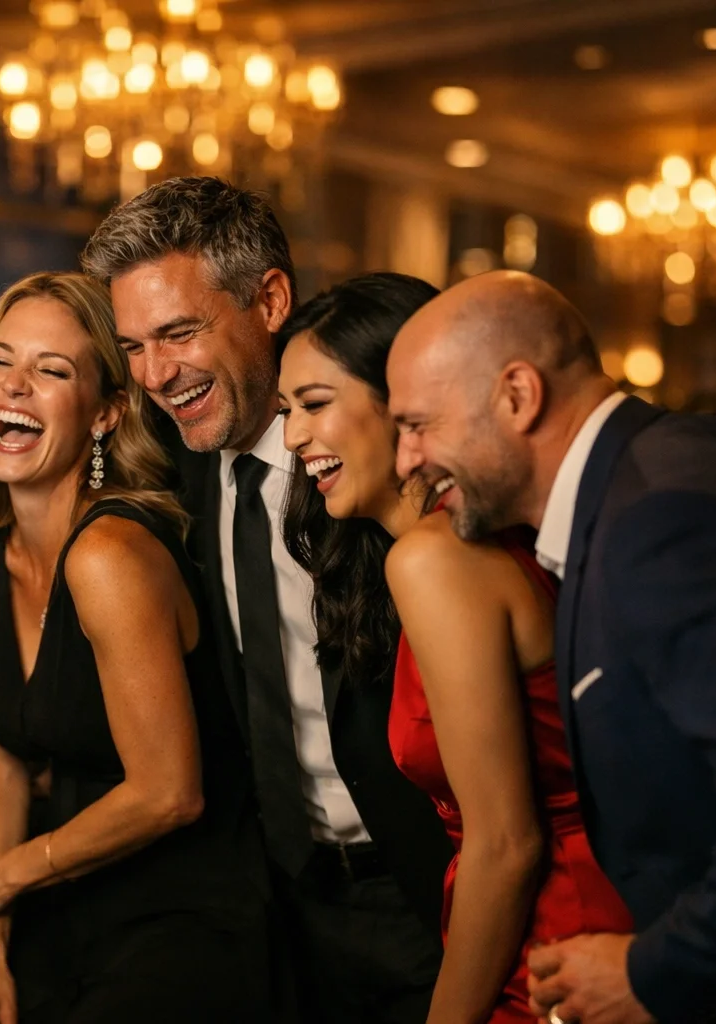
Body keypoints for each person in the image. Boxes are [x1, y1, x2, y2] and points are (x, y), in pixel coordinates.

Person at [386, 269, 716, 1024]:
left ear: (517, 395)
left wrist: (653, 971)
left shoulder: (659, 523)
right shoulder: (673, 459)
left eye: (419, 424)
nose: (406, 459)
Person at [81, 176, 451, 1023]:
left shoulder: (379, 465)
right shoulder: (175, 474)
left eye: (178, 333)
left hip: (421, 890)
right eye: (134, 346)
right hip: (275, 906)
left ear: (271, 298)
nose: (155, 374)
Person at [277, 273, 633, 1024]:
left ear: (399, 397)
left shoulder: (435, 559)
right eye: (285, 412)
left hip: (552, 941)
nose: (292, 437)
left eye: (313, 405)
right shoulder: (448, 543)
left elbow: (505, 845)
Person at [0, 272, 267, 1024]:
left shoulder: (109, 554)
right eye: (0, 363)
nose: (14, 387)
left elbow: (170, 793)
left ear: (106, 413)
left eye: (51, 371)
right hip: (59, 903)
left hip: (184, 914)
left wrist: (4, 876)